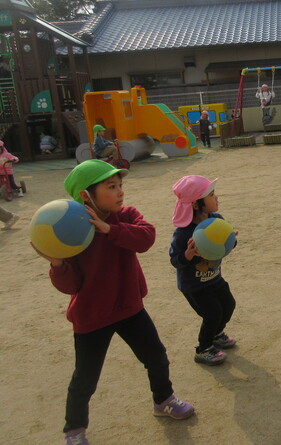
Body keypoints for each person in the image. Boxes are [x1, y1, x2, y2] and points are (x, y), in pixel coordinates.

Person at [32, 160, 194, 445]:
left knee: (156, 356)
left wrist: (110, 229)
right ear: (86, 195)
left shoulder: (126, 215)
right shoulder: (72, 231)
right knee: (85, 378)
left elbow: (146, 238)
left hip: (129, 307)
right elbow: (71, 286)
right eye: (111, 186)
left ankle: (163, 400)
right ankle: (74, 430)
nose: (120, 192)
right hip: (92, 316)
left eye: (120, 185)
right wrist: (57, 263)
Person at [170, 175, 237, 366]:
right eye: (211, 195)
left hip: (214, 278)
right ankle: (203, 349)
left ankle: (216, 334)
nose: (216, 197)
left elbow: (224, 248)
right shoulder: (183, 232)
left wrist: (231, 240)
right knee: (212, 314)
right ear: (195, 204)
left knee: (229, 305)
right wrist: (188, 254)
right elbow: (175, 260)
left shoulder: (216, 220)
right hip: (194, 286)